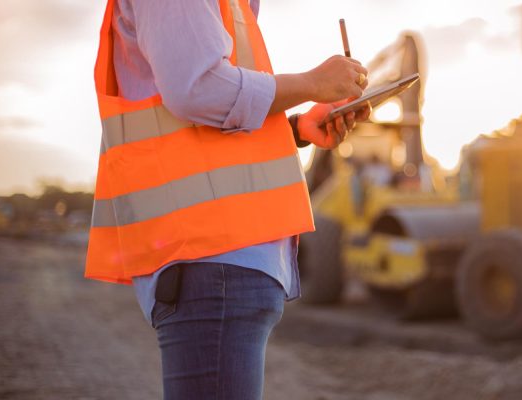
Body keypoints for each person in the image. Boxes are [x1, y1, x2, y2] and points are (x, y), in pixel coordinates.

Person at [84, 0, 370, 399]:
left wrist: (295, 129)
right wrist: (312, 83)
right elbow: (199, 88)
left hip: (220, 262)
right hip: (211, 260)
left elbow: (203, 125)